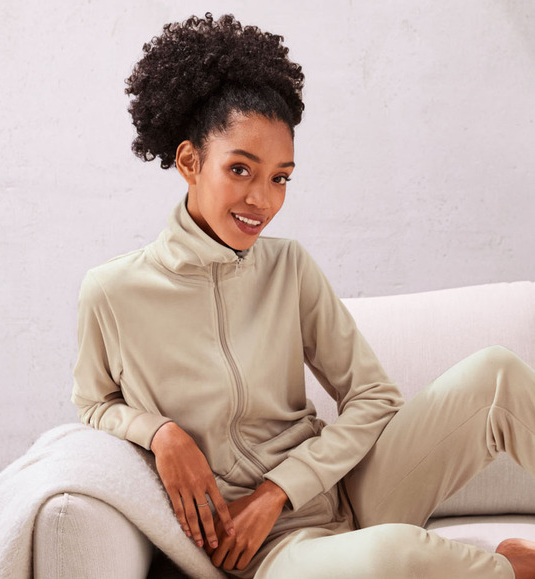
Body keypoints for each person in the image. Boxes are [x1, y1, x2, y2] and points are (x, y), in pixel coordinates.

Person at [71, 13, 535, 579]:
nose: (262, 200)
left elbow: (375, 398)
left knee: (497, 374)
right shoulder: (112, 292)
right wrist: (159, 432)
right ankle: (510, 568)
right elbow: (94, 403)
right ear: (190, 162)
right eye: (241, 169)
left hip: (348, 492)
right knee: (389, 558)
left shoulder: (288, 267)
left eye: (280, 177)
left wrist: (279, 489)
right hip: (266, 550)